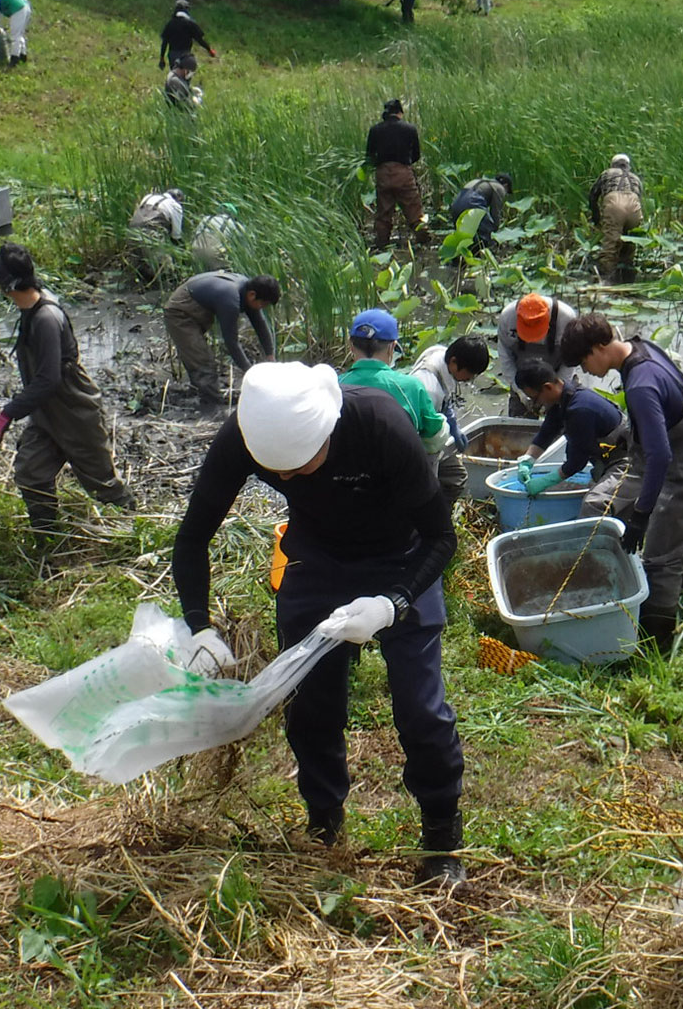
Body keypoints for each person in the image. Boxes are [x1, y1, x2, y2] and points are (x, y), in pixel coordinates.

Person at [172, 361, 467, 885]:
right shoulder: (245, 433)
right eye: (274, 470)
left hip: (402, 555)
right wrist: (198, 625)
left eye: (298, 466)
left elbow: (442, 536)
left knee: (421, 710)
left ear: (326, 429)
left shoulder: (378, 424)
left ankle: (442, 838)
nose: (285, 478)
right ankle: (324, 825)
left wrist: (392, 605)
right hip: (317, 559)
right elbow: (194, 536)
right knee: (311, 707)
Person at [558, 314, 683, 653]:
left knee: (659, 558)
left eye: (585, 361)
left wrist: (642, 514)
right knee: (676, 536)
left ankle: (655, 645)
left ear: (600, 348)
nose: (587, 372)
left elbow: (660, 456)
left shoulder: (641, 384)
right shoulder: (641, 347)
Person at [0, 244, 134, 557]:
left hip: (75, 412)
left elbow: (49, 379)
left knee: (102, 484)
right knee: (30, 473)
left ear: (6, 285)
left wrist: (8, 412)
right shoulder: (31, 310)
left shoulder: (46, 318)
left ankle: (138, 534)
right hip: (47, 414)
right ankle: (49, 544)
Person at [163, 269, 280, 406]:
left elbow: (260, 324)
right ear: (252, 295)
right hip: (180, 311)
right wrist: (250, 372)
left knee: (198, 355)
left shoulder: (248, 290)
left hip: (197, 303)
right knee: (202, 360)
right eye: (263, 304)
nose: (262, 308)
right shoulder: (230, 299)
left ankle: (201, 392)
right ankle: (212, 406)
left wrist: (271, 357)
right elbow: (231, 342)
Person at [513, 361, 629, 499]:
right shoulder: (564, 398)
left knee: (593, 503)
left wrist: (545, 481)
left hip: (627, 462)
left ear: (548, 387)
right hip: (604, 461)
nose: (537, 404)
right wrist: (528, 459)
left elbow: (577, 462)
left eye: (535, 398)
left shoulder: (579, 410)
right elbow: (547, 431)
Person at [340, 310, 447, 453]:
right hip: (397, 470)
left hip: (345, 471)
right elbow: (434, 435)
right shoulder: (410, 387)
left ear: (351, 346)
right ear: (391, 347)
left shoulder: (334, 385)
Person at [410, 334, 489, 503]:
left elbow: (446, 401)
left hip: (437, 428)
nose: (470, 379)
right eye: (470, 374)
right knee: (426, 492)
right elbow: (420, 432)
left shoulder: (440, 353)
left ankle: (441, 514)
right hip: (422, 442)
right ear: (454, 362)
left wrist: (453, 423)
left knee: (456, 479)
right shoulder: (428, 387)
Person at [496, 291, 584, 415]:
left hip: (559, 377)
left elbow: (570, 361)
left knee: (569, 418)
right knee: (518, 424)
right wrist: (521, 392)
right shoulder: (507, 317)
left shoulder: (566, 317)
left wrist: (556, 391)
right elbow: (506, 358)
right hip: (523, 381)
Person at [366, 99, 424, 249]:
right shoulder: (409, 129)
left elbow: (369, 156)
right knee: (414, 209)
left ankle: (381, 244)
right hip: (403, 172)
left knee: (383, 212)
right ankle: (423, 241)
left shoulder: (375, 130)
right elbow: (416, 155)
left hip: (383, 173)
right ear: (400, 112)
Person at [588, 153, 644, 284]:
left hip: (615, 203)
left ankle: (607, 280)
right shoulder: (635, 178)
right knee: (630, 243)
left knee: (610, 246)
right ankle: (627, 278)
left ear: (613, 164)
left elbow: (593, 196)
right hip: (634, 204)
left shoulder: (607, 173)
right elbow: (639, 198)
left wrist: (596, 219)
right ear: (628, 165)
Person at [445, 173, 512, 257]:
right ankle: (480, 256)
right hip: (472, 202)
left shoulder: (479, 182)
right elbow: (495, 213)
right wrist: (495, 233)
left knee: (462, 234)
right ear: (506, 185)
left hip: (456, 204)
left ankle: (457, 257)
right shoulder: (499, 188)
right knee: (485, 232)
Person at [159, 0, 217, 71]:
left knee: (175, 75)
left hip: (173, 55)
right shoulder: (190, 23)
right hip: (185, 55)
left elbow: (164, 42)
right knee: (185, 76)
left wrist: (162, 58)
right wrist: (209, 50)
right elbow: (199, 39)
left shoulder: (170, 24)